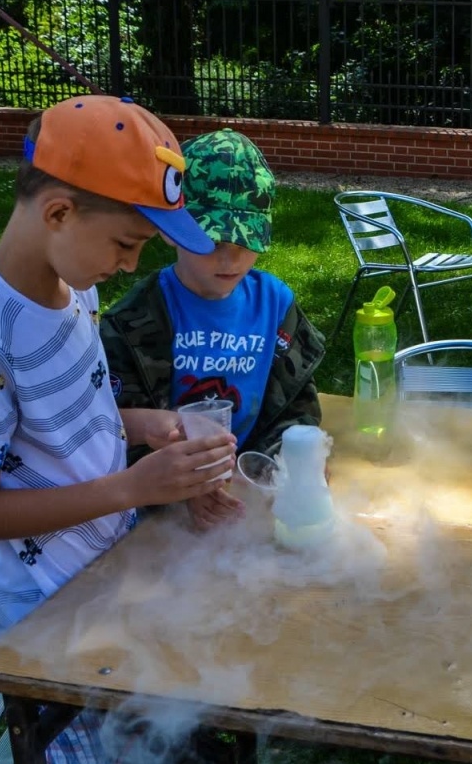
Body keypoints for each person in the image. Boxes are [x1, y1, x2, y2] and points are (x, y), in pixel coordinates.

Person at [0, 95, 236, 764]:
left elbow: (76, 416)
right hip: (37, 612)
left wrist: (147, 427)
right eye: (128, 243)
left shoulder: (76, 289)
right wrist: (135, 487)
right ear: (59, 213)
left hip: (102, 576)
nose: (132, 264)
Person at [101, 128, 326, 531]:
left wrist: (291, 466)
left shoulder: (276, 305)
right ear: (174, 231)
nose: (231, 258)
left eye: (246, 240)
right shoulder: (136, 320)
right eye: (211, 240)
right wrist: (182, 485)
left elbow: (295, 410)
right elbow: (109, 431)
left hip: (248, 497)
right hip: (159, 514)